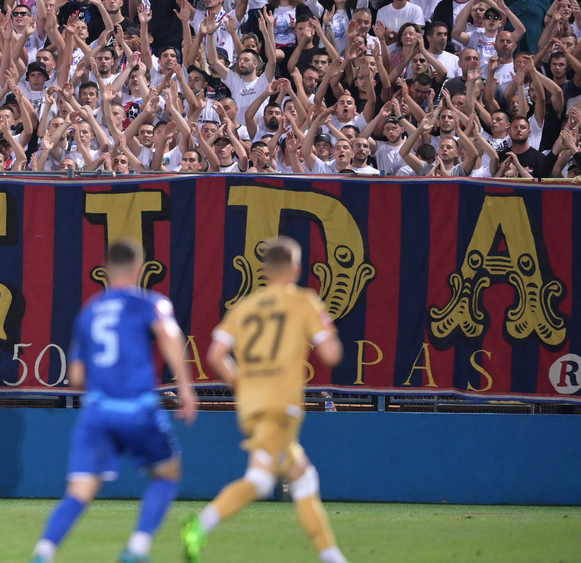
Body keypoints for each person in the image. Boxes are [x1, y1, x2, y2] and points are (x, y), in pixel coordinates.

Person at [30, 238, 197, 563]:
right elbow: (170, 335)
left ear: (105, 270)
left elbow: (75, 378)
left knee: (79, 493)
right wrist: (186, 387)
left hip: (97, 412)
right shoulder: (149, 302)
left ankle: (44, 551)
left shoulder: (89, 311)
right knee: (167, 474)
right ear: (140, 269)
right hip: (137, 409)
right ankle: (137, 548)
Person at [182, 237, 345, 563]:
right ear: (297, 269)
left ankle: (332, 556)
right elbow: (330, 354)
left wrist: (243, 385)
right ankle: (200, 525)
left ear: (264, 271)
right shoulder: (304, 301)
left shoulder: (245, 307)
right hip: (281, 404)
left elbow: (215, 354)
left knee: (304, 478)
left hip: (252, 404)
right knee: (259, 480)